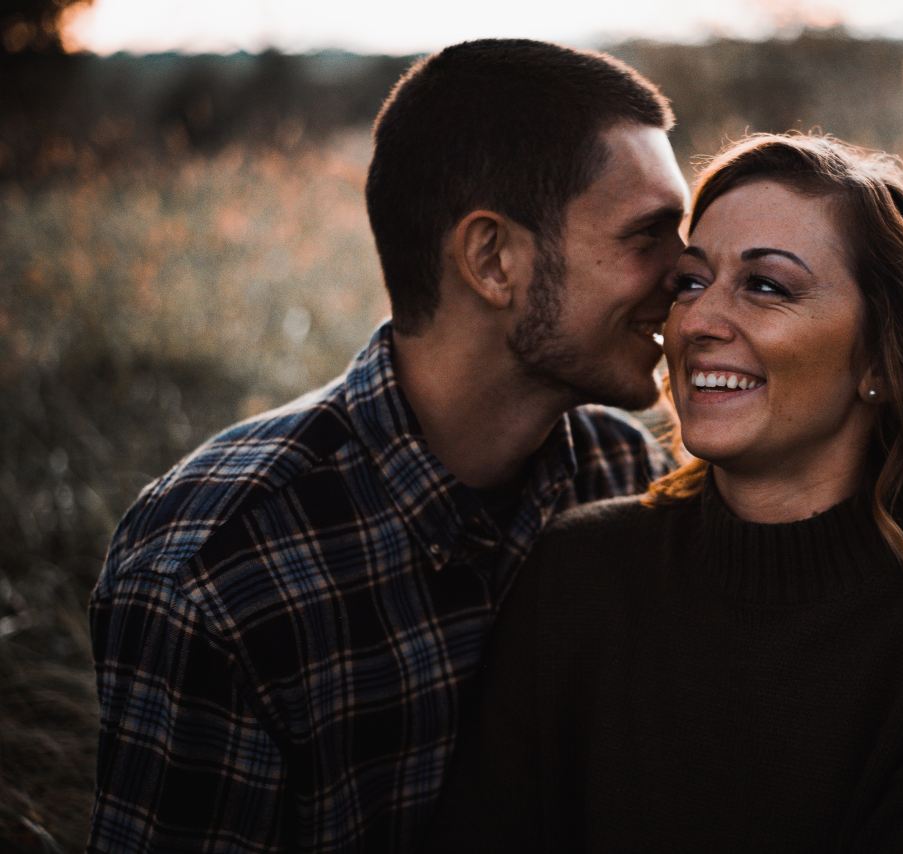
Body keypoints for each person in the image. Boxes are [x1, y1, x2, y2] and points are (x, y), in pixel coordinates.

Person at [87, 39, 689, 851]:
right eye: (648, 236)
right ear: (492, 259)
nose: (688, 271)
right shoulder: (214, 569)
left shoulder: (625, 468)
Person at [428, 133, 903, 852]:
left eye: (766, 286)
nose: (698, 322)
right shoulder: (576, 571)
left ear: (886, 359)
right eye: (689, 281)